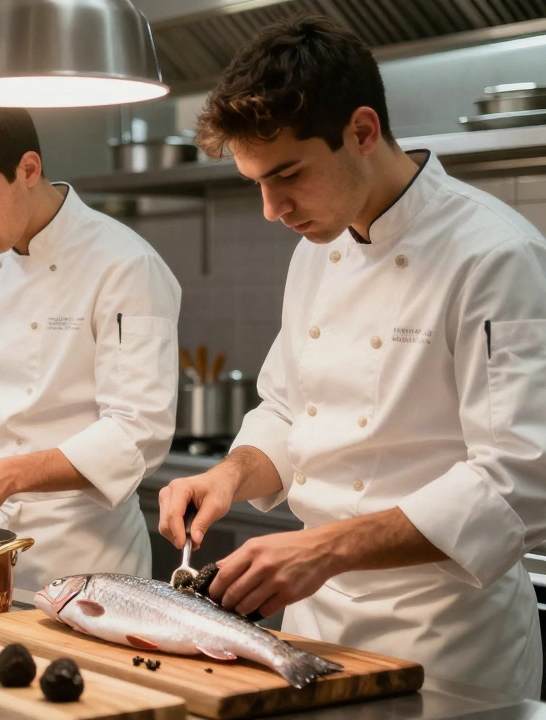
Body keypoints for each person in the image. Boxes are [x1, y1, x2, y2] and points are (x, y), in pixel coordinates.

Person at [157, 16, 546, 698]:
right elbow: (286, 408)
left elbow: (520, 478)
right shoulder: (317, 253)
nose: (273, 210)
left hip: (445, 646)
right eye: (256, 183)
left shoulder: (496, 255)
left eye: (288, 176)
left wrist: (324, 548)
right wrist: (229, 476)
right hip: (314, 627)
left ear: (362, 132)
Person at [0, 106, 181, 590]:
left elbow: (137, 430)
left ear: (28, 169)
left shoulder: (125, 264)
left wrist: (10, 474)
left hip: (83, 553)